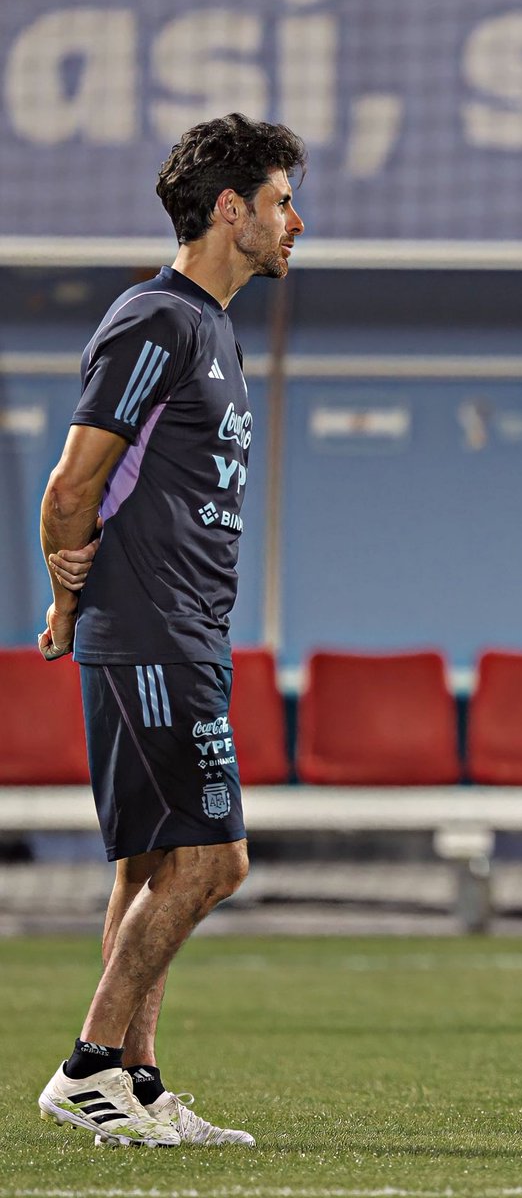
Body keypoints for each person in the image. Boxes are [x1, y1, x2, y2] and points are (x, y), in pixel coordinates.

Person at [36, 112, 305, 1147]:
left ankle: (135, 1085)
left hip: (180, 626)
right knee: (213, 864)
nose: (295, 222)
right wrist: (66, 599)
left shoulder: (212, 328)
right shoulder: (157, 320)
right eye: (282, 202)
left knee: (150, 865)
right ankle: (89, 1066)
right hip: (151, 629)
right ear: (231, 209)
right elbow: (72, 487)